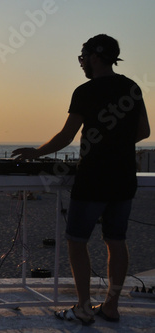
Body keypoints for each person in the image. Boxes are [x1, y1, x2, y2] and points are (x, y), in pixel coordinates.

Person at [11, 34, 150, 325]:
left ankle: (84, 307)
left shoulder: (85, 91)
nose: (82, 63)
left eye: (84, 57)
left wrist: (35, 153)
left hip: (94, 177)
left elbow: (65, 137)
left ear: (96, 56)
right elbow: (144, 131)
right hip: (124, 176)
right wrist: (118, 141)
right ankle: (110, 307)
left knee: (77, 241)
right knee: (116, 241)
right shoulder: (132, 87)